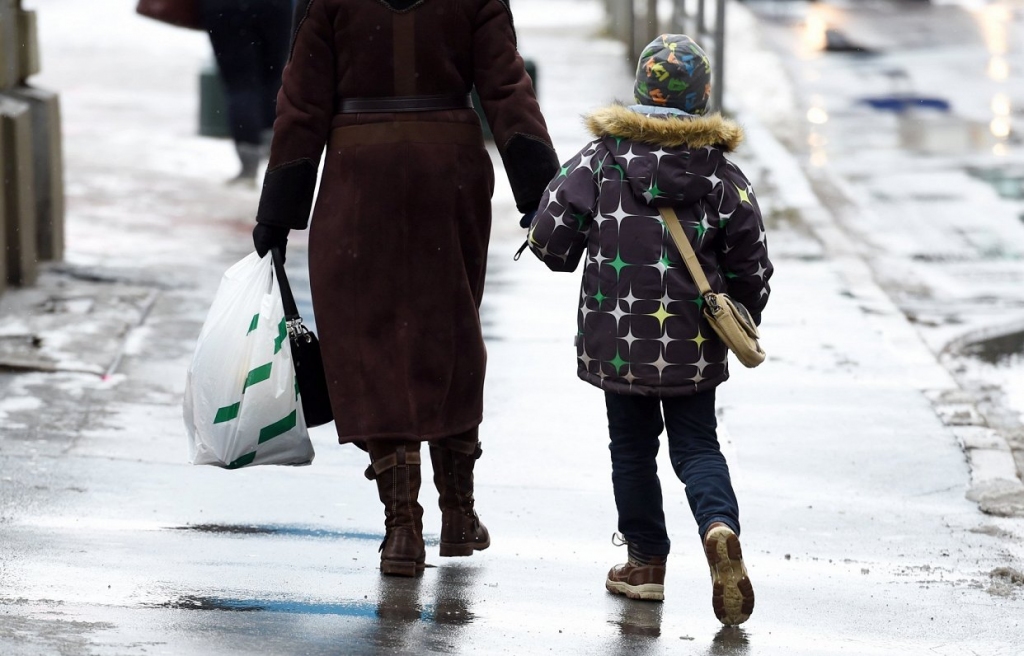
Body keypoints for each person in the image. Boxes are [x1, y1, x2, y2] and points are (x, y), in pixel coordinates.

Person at [251, 0, 559, 577]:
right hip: (449, 172)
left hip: (358, 175)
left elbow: (302, 103)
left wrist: (278, 210)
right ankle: (459, 514)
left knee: (369, 344)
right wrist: (542, 191)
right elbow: (506, 89)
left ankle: (401, 531)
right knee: (451, 330)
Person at [525, 34, 772, 626]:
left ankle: (645, 566)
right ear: (703, 97)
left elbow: (549, 239)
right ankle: (718, 527)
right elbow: (752, 263)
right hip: (691, 342)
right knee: (697, 446)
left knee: (632, 450)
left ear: (639, 92)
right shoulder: (722, 175)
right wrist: (744, 310)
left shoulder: (600, 160)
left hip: (619, 340)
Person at [200, 0, 292, 184]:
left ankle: (248, 168)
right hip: (275, 6)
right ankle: (275, 161)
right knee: (273, 78)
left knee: (240, 85)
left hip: (225, 8)